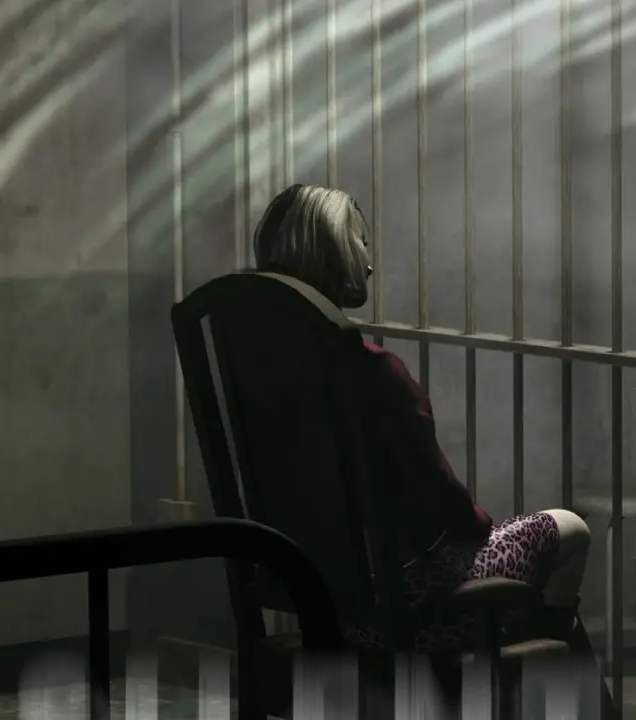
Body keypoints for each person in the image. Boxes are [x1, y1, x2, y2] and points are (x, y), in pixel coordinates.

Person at [251, 183, 592, 652]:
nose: (369, 262)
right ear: (332, 255)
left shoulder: (259, 375)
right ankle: (536, 668)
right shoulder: (372, 370)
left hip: (321, 607)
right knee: (572, 528)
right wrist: (480, 525)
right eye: (360, 242)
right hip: (406, 610)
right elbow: (445, 502)